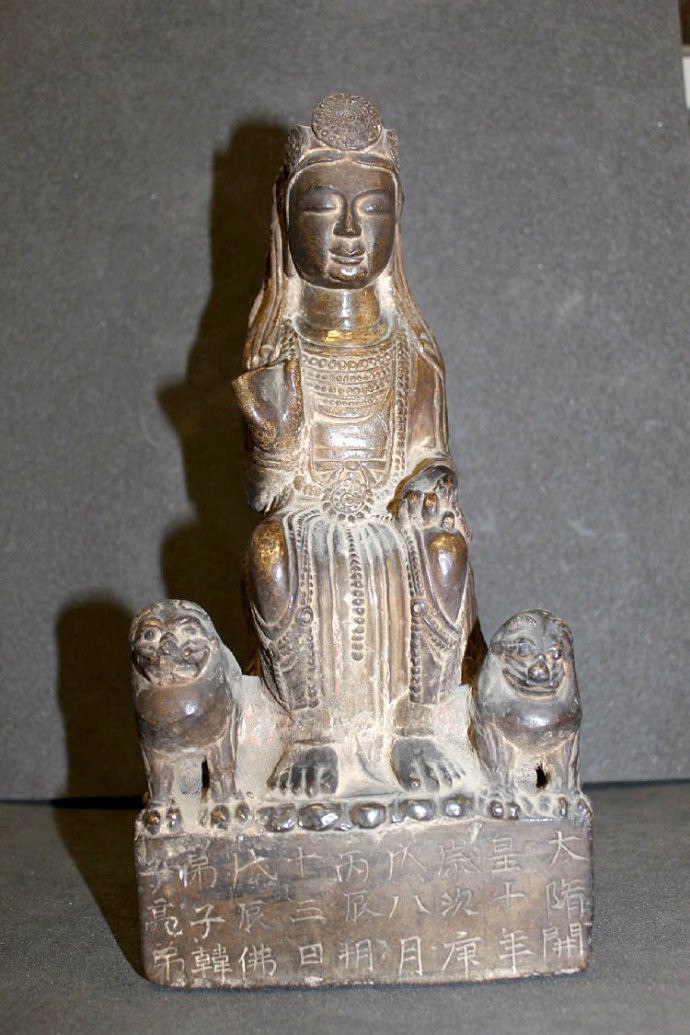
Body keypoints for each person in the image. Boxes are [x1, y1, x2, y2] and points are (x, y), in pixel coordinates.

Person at [233, 95, 478, 797]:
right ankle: (310, 730)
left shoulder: (413, 352)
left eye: (372, 210)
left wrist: (430, 483)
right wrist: (273, 437)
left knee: (445, 551)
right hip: (309, 524)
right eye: (323, 209)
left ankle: (418, 723)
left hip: (392, 522)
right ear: (286, 222)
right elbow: (264, 494)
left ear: (397, 223)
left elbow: (431, 454)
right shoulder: (278, 348)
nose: (348, 232)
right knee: (269, 553)